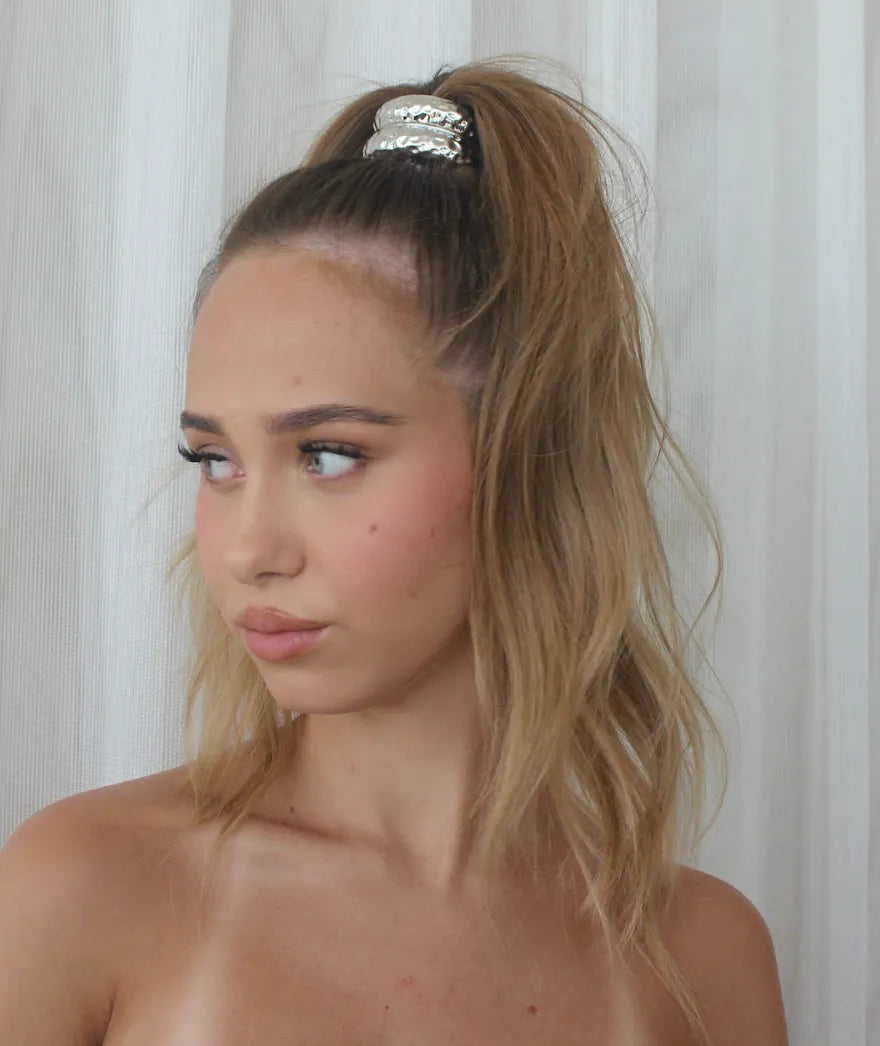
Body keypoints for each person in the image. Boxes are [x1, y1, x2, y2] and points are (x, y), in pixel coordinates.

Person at [0, 58, 789, 1045]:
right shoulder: (81, 887)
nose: (248, 547)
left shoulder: (697, 954)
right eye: (213, 458)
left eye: (327, 453)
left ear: (521, 459)